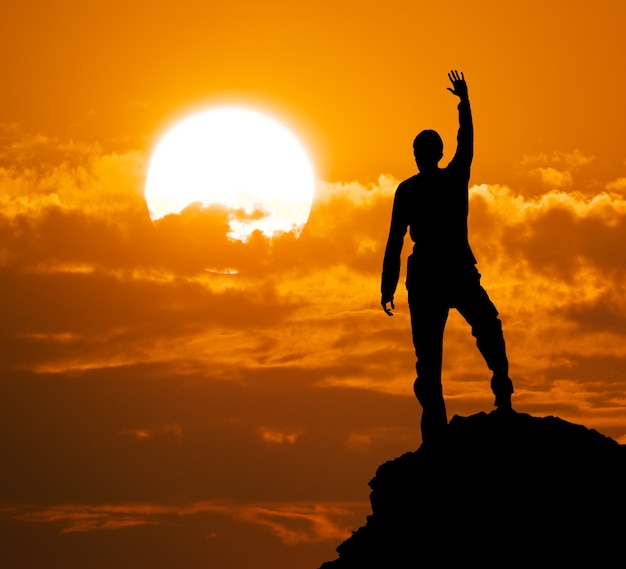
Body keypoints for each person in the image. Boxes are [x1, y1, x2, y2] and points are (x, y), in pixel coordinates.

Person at [380, 70, 513, 441]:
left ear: (431, 154)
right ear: (428, 155)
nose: (422, 156)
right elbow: (394, 240)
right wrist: (388, 284)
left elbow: (466, 142)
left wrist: (465, 104)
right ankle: (436, 431)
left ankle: (501, 396)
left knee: (485, 329)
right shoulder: (414, 188)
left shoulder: (444, 180)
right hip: (432, 275)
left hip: (450, 271)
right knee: (431, 360)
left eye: (423, 151)